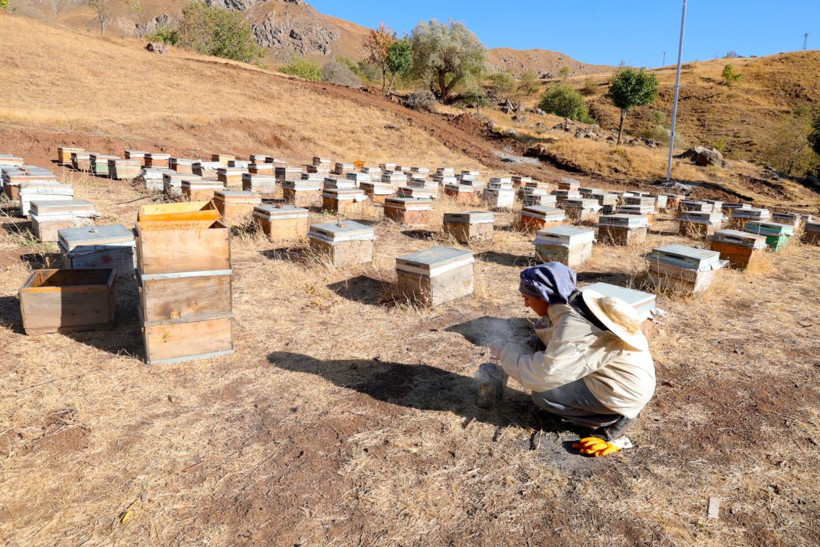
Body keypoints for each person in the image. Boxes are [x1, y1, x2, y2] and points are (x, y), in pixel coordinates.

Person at [489, 262, 656, 457]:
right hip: (623, 381)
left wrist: (507, 353)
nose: (526, 304)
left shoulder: (575, 326)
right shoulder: (569, 303)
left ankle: (612, 419)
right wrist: (514, 345)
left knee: (543, 395)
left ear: (543, 296)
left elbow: (542, 374)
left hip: (623, 391)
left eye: (527, 298)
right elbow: (548, 338)